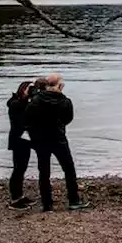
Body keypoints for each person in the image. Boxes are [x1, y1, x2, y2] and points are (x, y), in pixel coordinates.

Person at [24, 73, 87, 212]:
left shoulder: (36, 100)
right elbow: (67, 119)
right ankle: (73, 200)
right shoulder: (65, 101)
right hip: (58, 139)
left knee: (44, 172)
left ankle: (47, 205)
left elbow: (28, 118)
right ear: (60, 86)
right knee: (69, 169)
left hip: (41, 140)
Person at [6, 80, 36, 210]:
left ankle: (20, 195)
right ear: (23, 89)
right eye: (30, 89)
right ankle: (15, 199)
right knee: (18, 169)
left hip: (25, 140)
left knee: (22, 168)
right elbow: (23, 120)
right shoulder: (15, 104)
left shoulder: (24, 103)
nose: (32, 91)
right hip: (18, 140)